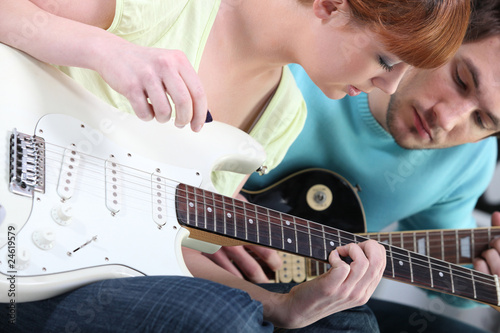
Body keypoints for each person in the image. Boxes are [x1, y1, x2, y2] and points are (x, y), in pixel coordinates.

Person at [0, 0, 471, 331]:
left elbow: (161, 249)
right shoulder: (173, 7)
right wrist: (107, 51)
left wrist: (282, 305)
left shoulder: (284, 115)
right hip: (19, 254)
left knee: (350, 324)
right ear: (330, 4)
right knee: (225, 322)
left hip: (79, 268)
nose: (388, 88)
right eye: (386, 60)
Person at [212, 0, 500, 330]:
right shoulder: (314, 46)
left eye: (481, 120)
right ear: (437, 39)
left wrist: (483, 279)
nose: (447, 120)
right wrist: (211, 199)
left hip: (306, 290)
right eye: (461, 79)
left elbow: (446, 265)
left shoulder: (469, 162)